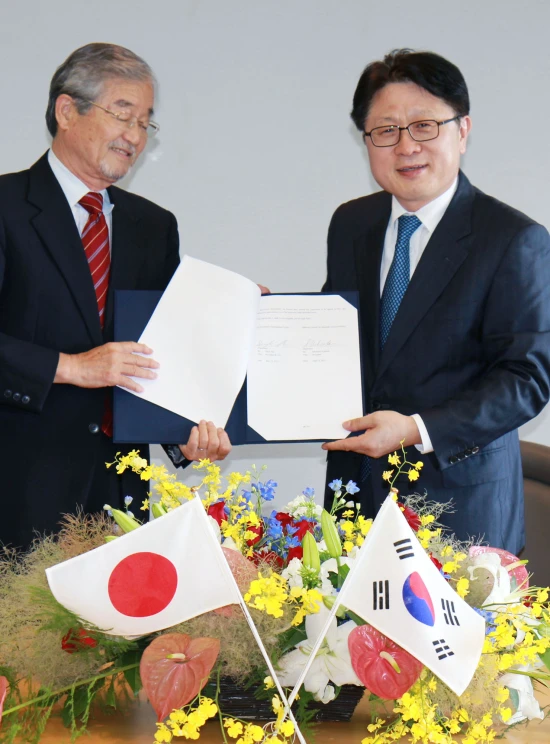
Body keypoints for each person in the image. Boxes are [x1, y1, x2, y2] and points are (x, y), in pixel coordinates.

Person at [0, 43, 231, 551]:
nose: (134, 136)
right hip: (16, 492)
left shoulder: (153, 226)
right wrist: (72, 367)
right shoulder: (6, 207)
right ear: (67, 111)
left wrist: (186, 432)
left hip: (120, 499)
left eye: (145, 123)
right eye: (122, 115)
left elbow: (161, 351)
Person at [322, 49, 550, 554]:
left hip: (457, 509)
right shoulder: (351, 224)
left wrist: (416, 429)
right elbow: (335, 337)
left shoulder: (512, 239)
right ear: (366, 140)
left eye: (424, 126)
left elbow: (527, 379)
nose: (406, 146)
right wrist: (267, 324)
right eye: (386, 130)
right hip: (355, 496)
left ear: (462, 131)